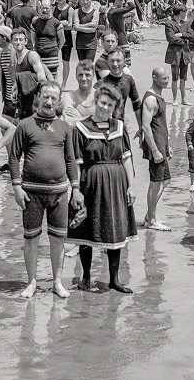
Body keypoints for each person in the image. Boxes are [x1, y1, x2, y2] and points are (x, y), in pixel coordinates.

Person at [7, 81, 82, 299]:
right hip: (31, 193)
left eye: (54, 98)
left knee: (58, 240)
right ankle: (31, 282)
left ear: (59, 101)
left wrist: (75, 189)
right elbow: (14, 157)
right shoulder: (25, 125)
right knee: (31, 239)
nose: (49, 102)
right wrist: (16, 186)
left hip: (59, 192)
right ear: (38, 97)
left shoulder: (64, 127)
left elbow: (70, 159)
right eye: (45, 97)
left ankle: (57, 282)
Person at [68, 83, 137, 293]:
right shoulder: (80, 128)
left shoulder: (119, 127)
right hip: (91, 183)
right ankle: (86, 277)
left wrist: (131, 186)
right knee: (87, 228)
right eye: (102, 103)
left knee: (115, 229)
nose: (105, 108)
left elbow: (126, 159)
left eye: (110, 105)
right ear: (96, 101)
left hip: (117, 184)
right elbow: (77, 163)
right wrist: (76, 189)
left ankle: (114, 279)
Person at [140, 66, 172, 231]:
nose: (166, 81)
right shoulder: (151, 99)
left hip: (161, 145)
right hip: (156, 148)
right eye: (163, 78)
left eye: (167, 78)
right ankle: (151, 220)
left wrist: (167, 146)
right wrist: (154, 150)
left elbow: (161, 125)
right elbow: (146, 126)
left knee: (165, 180)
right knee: (155, 183)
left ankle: (149, 215)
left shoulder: (159, 96)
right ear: (154, 77)